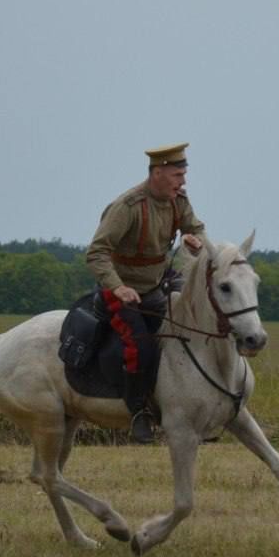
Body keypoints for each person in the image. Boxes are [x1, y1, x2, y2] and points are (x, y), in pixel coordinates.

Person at [86, 142, 204, 442]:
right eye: (177, 174)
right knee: (142, 346)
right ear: (158, 172)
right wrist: (118, 287)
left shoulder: (179, 200)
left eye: (183, 174)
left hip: (159, 281)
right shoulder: (127, 207)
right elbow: (97, 253)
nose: (183, 181)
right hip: (123, 289)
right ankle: (139, 411)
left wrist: (196, 240)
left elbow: (197, 228)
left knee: (195, 322)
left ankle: (194, 403)